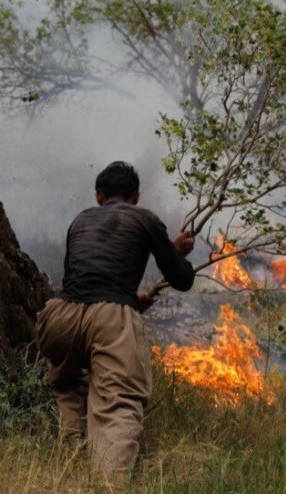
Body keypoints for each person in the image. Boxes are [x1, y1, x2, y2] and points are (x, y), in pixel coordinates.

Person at [35, 161, 196, 475]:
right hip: (109, 318)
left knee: (70, 386)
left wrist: (132, 299)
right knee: (118, 405)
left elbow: (85, 284)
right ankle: (107, 491)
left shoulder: (80, 220)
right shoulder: (144, 218)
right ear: (136, 197)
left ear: (98, 196)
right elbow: (182, 279)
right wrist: (177, 252)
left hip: (59, 317)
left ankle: (72, 471)